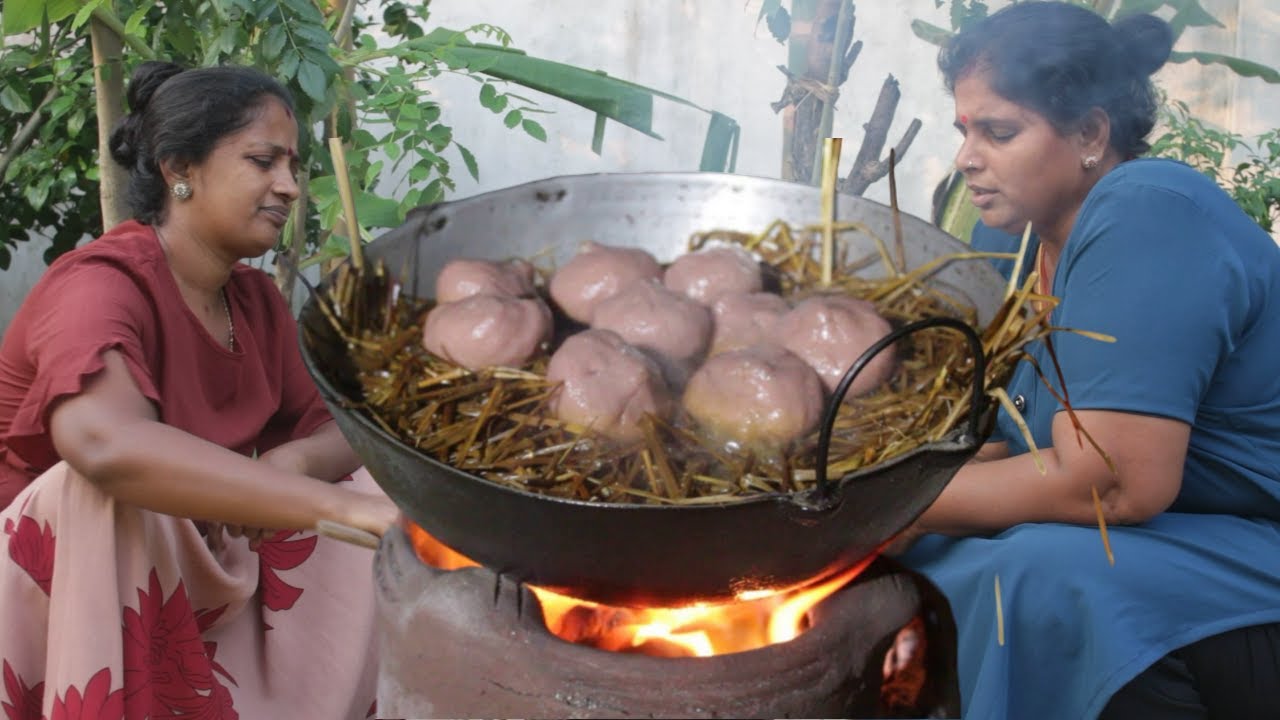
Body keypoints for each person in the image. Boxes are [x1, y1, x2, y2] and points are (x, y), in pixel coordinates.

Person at [893, 3, 1280, 718]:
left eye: (998, 132)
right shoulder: (1017, 241)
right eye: (964, 131)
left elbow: (1113, 484)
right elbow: (1012, 441)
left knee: (1037, 577)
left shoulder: (1149, 212)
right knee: (929, 552)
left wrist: (896, 507)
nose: (967, 158)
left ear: (1090, 134)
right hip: (1182, 539)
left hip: (1256, 557)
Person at [0, 62, 399, 718]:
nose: (289, 186)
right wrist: (341, 511)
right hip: (52, 586)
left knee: (374, 480)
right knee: (107, 491)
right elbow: (103, 445)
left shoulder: (254, 301)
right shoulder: (100, 284)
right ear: (179, 169)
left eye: (293, 166)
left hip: (181, 570)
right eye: (263, 161)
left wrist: (298, 463)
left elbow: (347, 432)